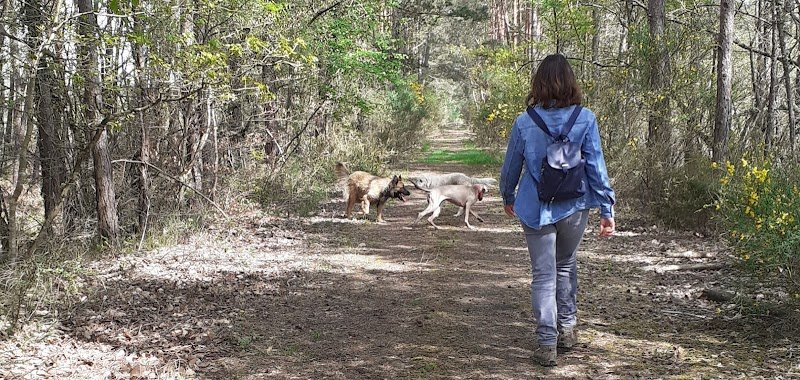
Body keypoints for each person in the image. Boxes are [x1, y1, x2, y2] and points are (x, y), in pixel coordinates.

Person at [499, 54, 616, 367]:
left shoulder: (525, 122)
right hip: (574, 207)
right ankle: (567, 330)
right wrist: (606, 207)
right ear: (570, 83)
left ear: (538, 83)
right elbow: (595, 165)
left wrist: (507, 194)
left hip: (535, 207)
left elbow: (512, 165)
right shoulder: (585, 118)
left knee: (543, 274)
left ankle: (547, 342)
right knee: (564, 265)